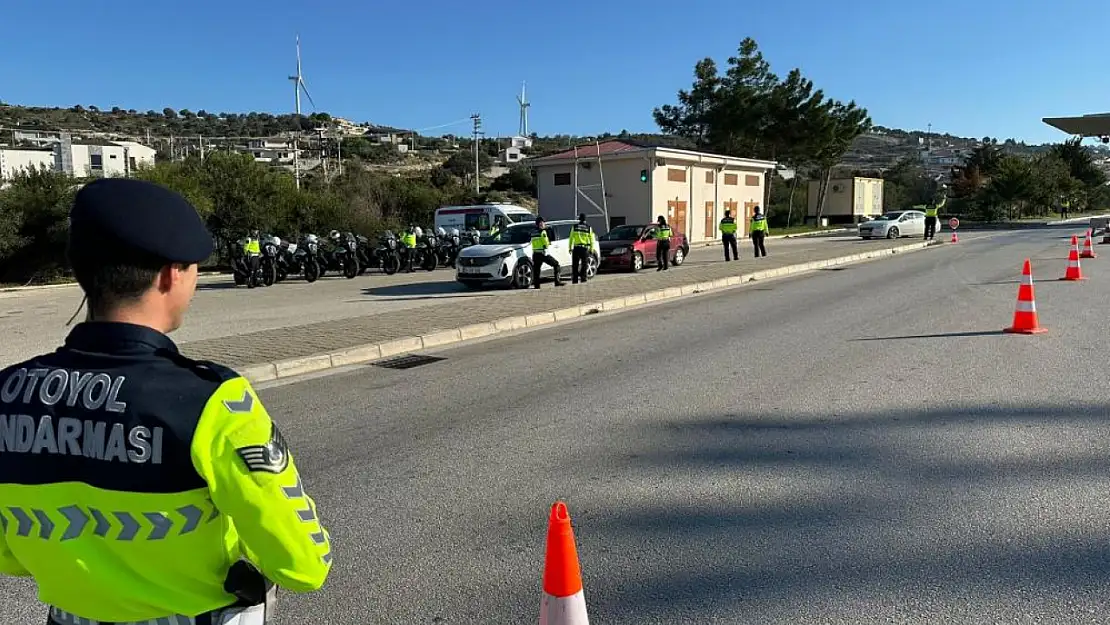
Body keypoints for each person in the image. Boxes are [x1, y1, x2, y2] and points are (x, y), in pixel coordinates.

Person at [0, 178, 332, 625]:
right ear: (171, 275)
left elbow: (10, 556)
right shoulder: (215, 401)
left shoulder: (7, 392)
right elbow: (303, 564)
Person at [530, 217, 563, 289]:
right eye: (543, 222)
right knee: (556, 264)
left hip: (535, 253)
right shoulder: (543, 232)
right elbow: (545, 242)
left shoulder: (533, 233)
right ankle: (557, 282)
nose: (544, 224)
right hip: (543, 253)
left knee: (537, 270)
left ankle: (537, 286)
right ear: (540, 223)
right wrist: (548, 242)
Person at [570, 213, 595, 284]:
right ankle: (583, 279)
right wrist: (591, 248)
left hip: (576, 248)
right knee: (584, 264)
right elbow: (591, 239)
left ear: (579, 219)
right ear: (585, 220)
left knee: (575, 265)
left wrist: (570, 248)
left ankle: (575, 280)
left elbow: (571, 238)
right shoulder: (588, 227)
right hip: (584, 249)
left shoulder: (574, 227)